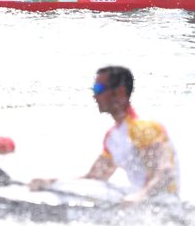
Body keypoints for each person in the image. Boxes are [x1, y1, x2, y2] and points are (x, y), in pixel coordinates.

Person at [29, 66, 180, 205]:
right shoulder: (113, 137)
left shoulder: (145, 129)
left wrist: (140, 197)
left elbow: (166, 172)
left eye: (99, 88)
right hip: (135, 201)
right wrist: (50, 182)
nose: (94, 95)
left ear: (119, 92)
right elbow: (94, 178)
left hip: (162, 203)